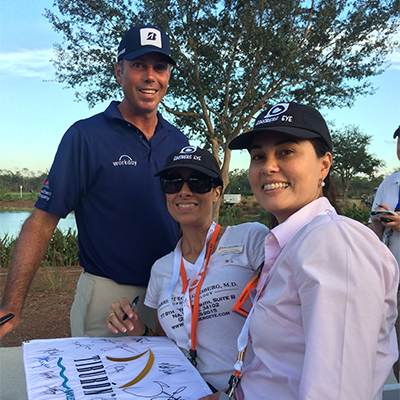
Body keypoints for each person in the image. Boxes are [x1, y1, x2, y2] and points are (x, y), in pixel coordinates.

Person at [0, 25, 189, 339]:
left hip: (170, 296)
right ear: (119, 71)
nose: (150, 76)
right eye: (139, 65)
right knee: (104, 388)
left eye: (160, 67)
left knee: (167, 385)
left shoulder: (177, 140)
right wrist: (11, 304)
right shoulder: (86, 137)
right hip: (110, 297)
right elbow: (42, 222)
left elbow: (188, 219)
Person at [200, 102, 399, 400]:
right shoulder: (291, 243)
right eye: (258, 156)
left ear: (324, 164)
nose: (268, 166)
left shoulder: (334, 243)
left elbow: (338, 391)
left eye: (286, 151)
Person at [107, 146, 269, 391]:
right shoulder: (161, 269)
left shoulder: (251, 238)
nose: (183, 191)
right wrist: (137, 327)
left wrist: (240, 394)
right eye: (172, 183)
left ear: (216, 192)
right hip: (184, 390)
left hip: (248, 392)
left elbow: (285, 327)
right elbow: (167, 346)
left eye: (198, 182)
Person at [370, 124, 400, 382]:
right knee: (396, 346)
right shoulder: (389, 182)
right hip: (394, 282)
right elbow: (374, 228)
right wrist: (379, 219)